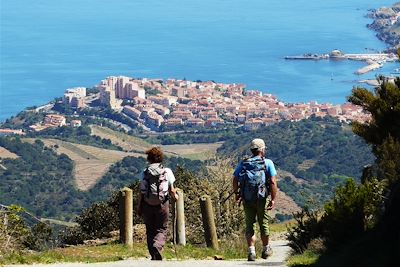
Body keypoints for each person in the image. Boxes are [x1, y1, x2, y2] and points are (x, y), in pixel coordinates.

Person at [232, 138, 278, 261]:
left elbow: (235, 179)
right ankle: (265, 249)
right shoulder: (268, 163)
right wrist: (273, 199)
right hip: (262, 198)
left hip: (247, 198)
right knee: (263, 224)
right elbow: (273, 182)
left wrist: (237, 193)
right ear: (262, 150)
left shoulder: (244, 163)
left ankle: (251, 252)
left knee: (249, 224)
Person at [136, 147, 179, 260]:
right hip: (162, 204)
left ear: (149, 159)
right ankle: (157, 246)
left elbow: (141, 192)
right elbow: (172, 190)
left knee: (150, 229)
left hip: (147, 204)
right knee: (162, 228)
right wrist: (176, 196)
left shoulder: (144, 172)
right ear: (161, 158)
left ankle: (153, 255)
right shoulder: (167, 171)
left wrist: (139, 206)